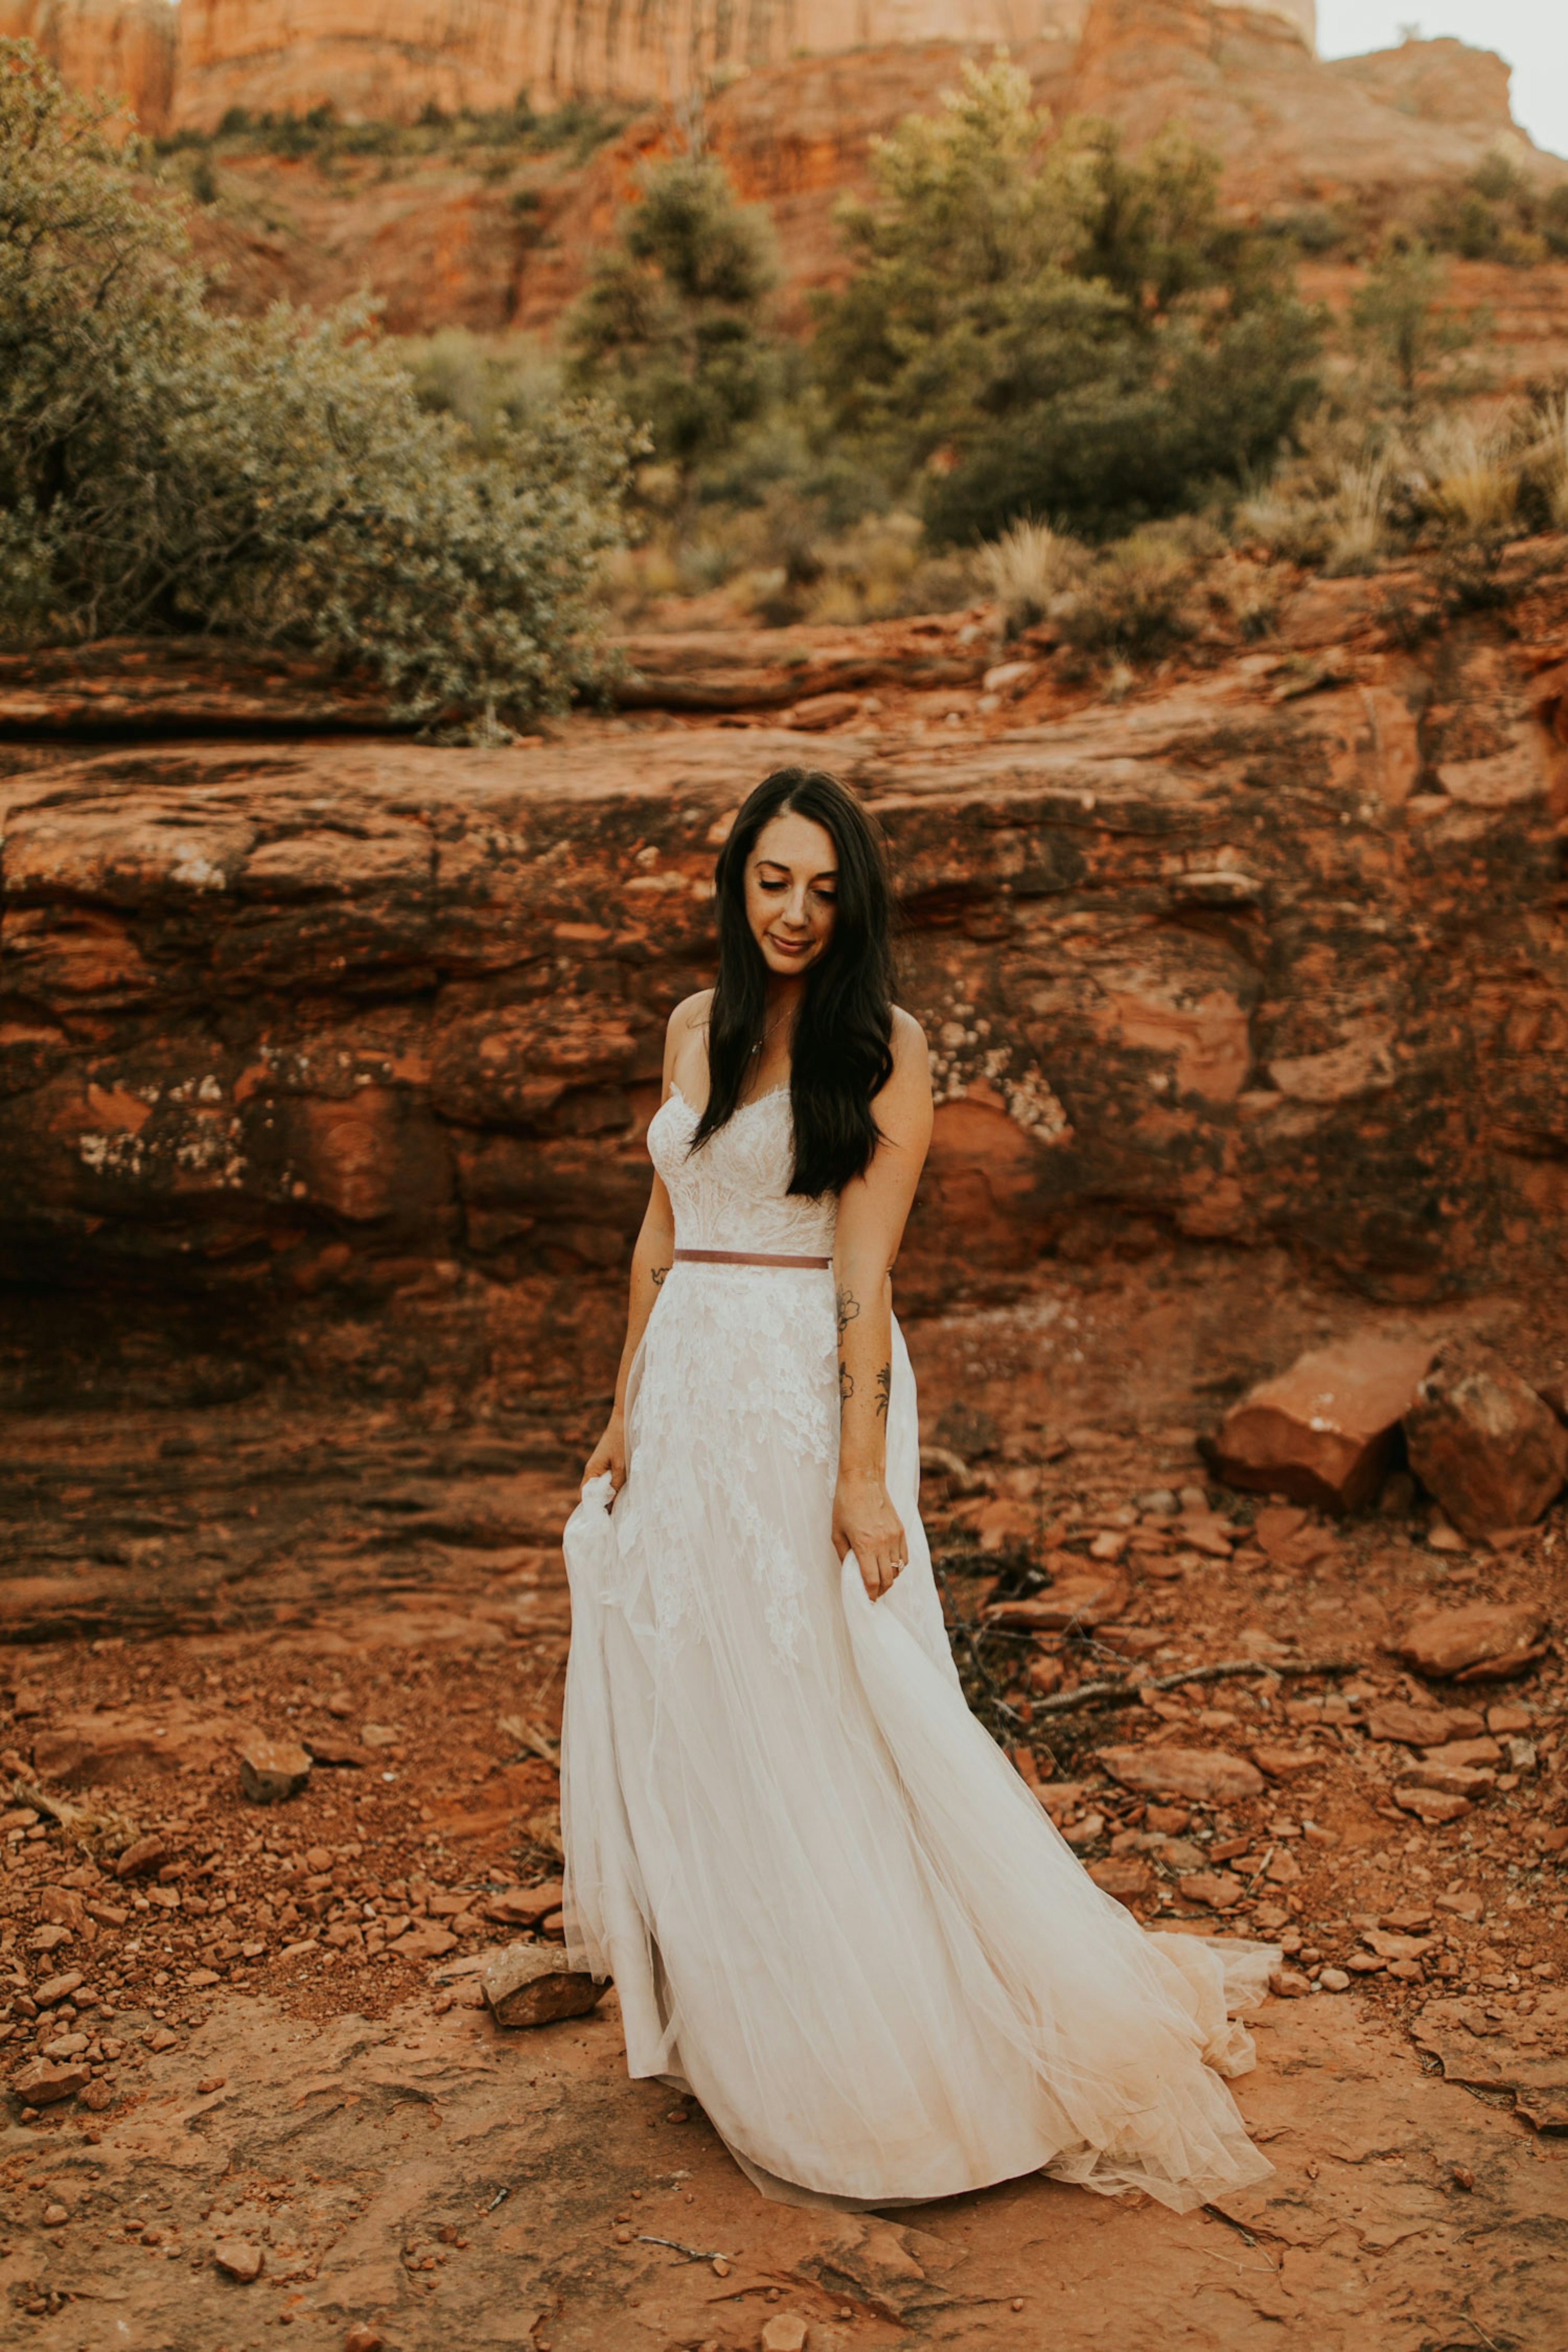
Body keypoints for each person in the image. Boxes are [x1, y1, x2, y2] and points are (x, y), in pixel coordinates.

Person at [560, 766, 1276, 2212]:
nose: (796, 912)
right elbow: (657, 1236)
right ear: (736, 880)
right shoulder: (694, 1027)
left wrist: (864, 1478)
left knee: (829, 1696)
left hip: (796, 1393)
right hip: (688, 1385)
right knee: (700, 1697)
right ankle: (744, 2016)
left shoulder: (885, 1044)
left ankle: (889, 2059)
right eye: (773, 880)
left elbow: (866, 1276)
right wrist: (619, 1417)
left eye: (826, 890)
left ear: (857, 902)